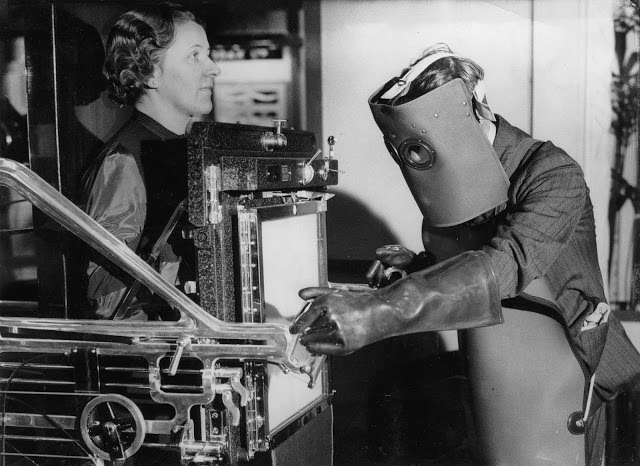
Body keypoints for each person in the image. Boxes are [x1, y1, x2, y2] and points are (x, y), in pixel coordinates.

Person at [291, 43, 640, 465]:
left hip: (571, 362)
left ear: (479, 108)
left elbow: (508, 264)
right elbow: (470, 267)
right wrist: (417, 270)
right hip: (492, 362)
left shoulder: (551, 173)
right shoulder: (456, 183)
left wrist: (373, 312)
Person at [80, 2, 220, 319]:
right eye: (195, 55)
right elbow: (109, 298)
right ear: (150, 72)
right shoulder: (124, 159)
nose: (213, 68)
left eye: (208, 54)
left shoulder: (186, 144)